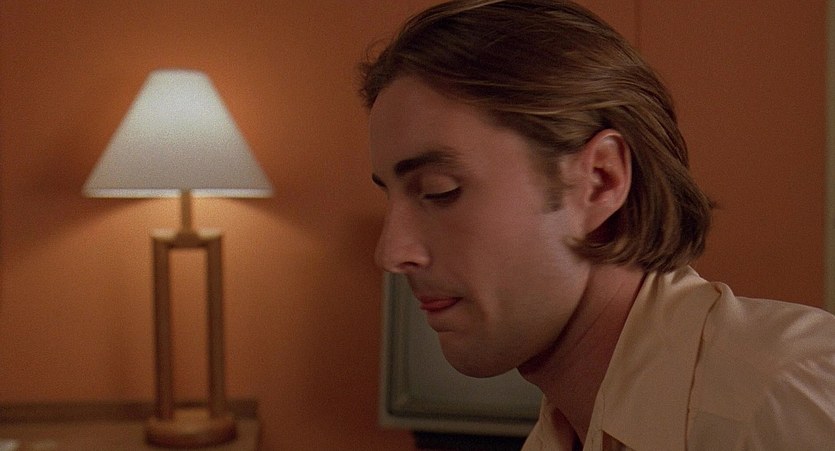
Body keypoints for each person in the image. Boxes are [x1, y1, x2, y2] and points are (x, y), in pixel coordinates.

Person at [359, 0, 835, 449]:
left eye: (439, 191)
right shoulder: (558, 435)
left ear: (601, 179)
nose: (391, 252)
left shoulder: (781, 396)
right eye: (390, 196)